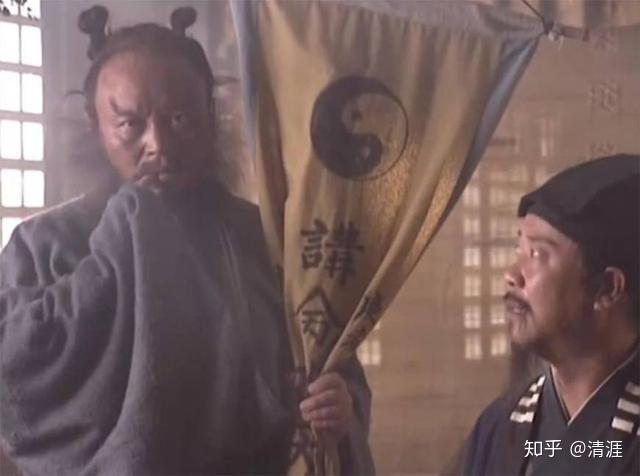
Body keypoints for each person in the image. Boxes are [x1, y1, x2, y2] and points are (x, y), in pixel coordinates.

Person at [0, 7, 373, 475]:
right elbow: (17, 384)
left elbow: (334, 362)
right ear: (95, 126)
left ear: (211, 118)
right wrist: (128, 224)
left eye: (179, 118)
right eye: (130, 124)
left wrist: (340, 405)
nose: (158, 144)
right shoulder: (43, 246)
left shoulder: (264, 239)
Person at [460, 154, 640, 476]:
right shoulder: (500, 428)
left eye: (537, 254)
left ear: (608, 288)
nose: (512, 275)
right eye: (518, 249)